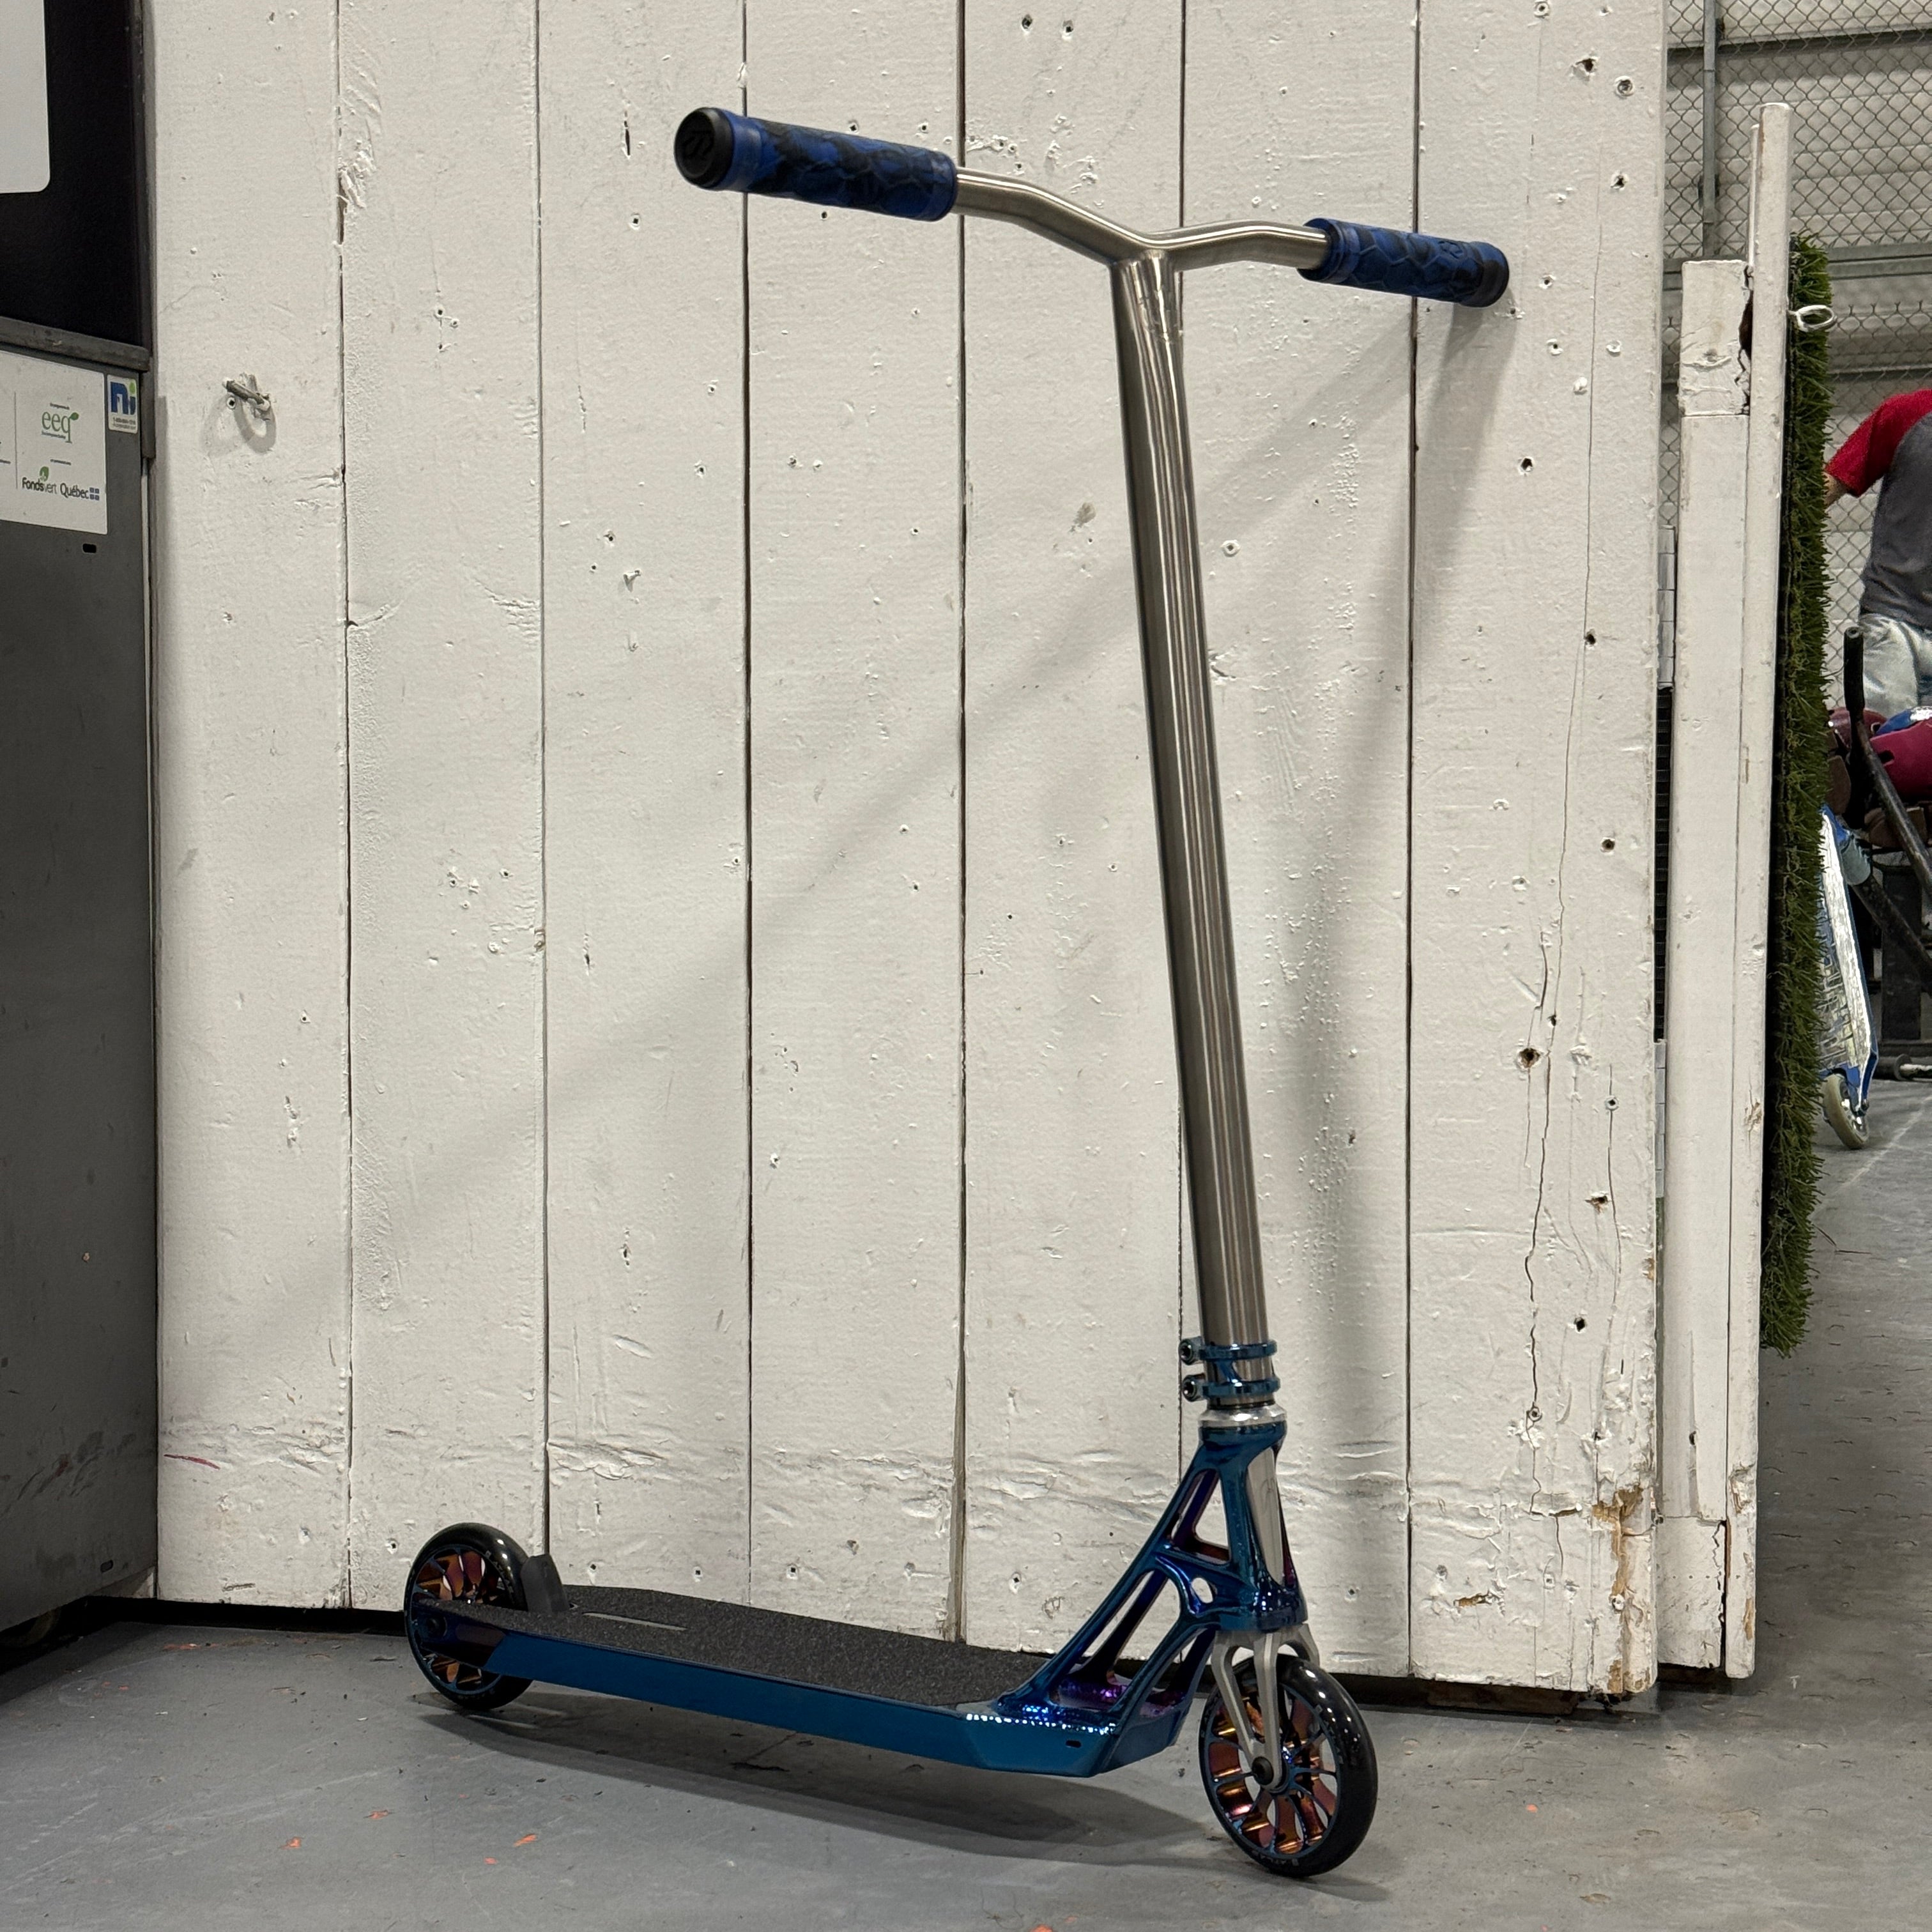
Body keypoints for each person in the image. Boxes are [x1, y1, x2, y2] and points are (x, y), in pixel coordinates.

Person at [1825, 387, 1932, 717]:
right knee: (1882, 739)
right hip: (1892, 620)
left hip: (1890, 616)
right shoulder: (1908, 413)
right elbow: (1829, 484)